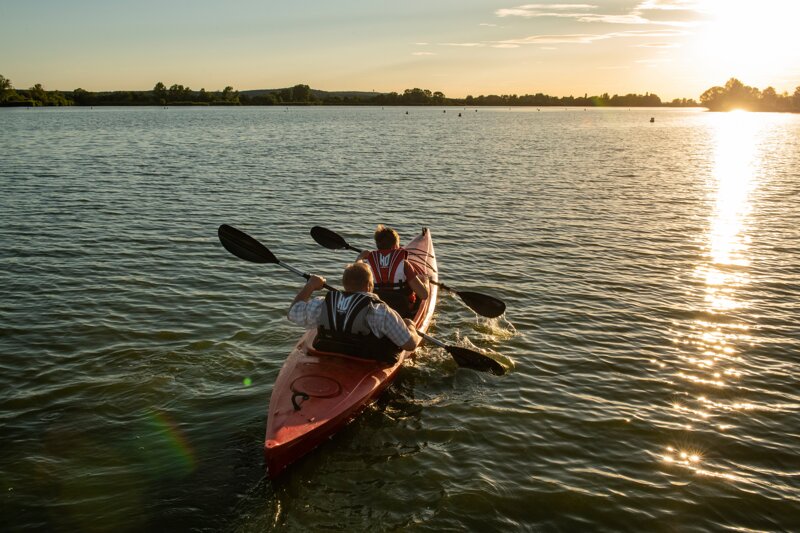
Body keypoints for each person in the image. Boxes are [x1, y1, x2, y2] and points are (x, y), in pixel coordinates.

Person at [287, 262, 421, 362]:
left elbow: (293, 312)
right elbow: (410, 345)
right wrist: (411, 327)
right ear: (369, 285)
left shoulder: (322, 304)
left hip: (329, 354)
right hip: (367, 361)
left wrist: (310, 285)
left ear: (344, 284)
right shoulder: (379, 311)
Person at [357, 224, 429, 317]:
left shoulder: (367, 264)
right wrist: (425, 281)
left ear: (378, 245)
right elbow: (423, 295)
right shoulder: (404, 264)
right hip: (400, 312)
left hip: (377, 309)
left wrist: (360, 257)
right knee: (423, 284)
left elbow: (355, 275)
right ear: (395, 246)